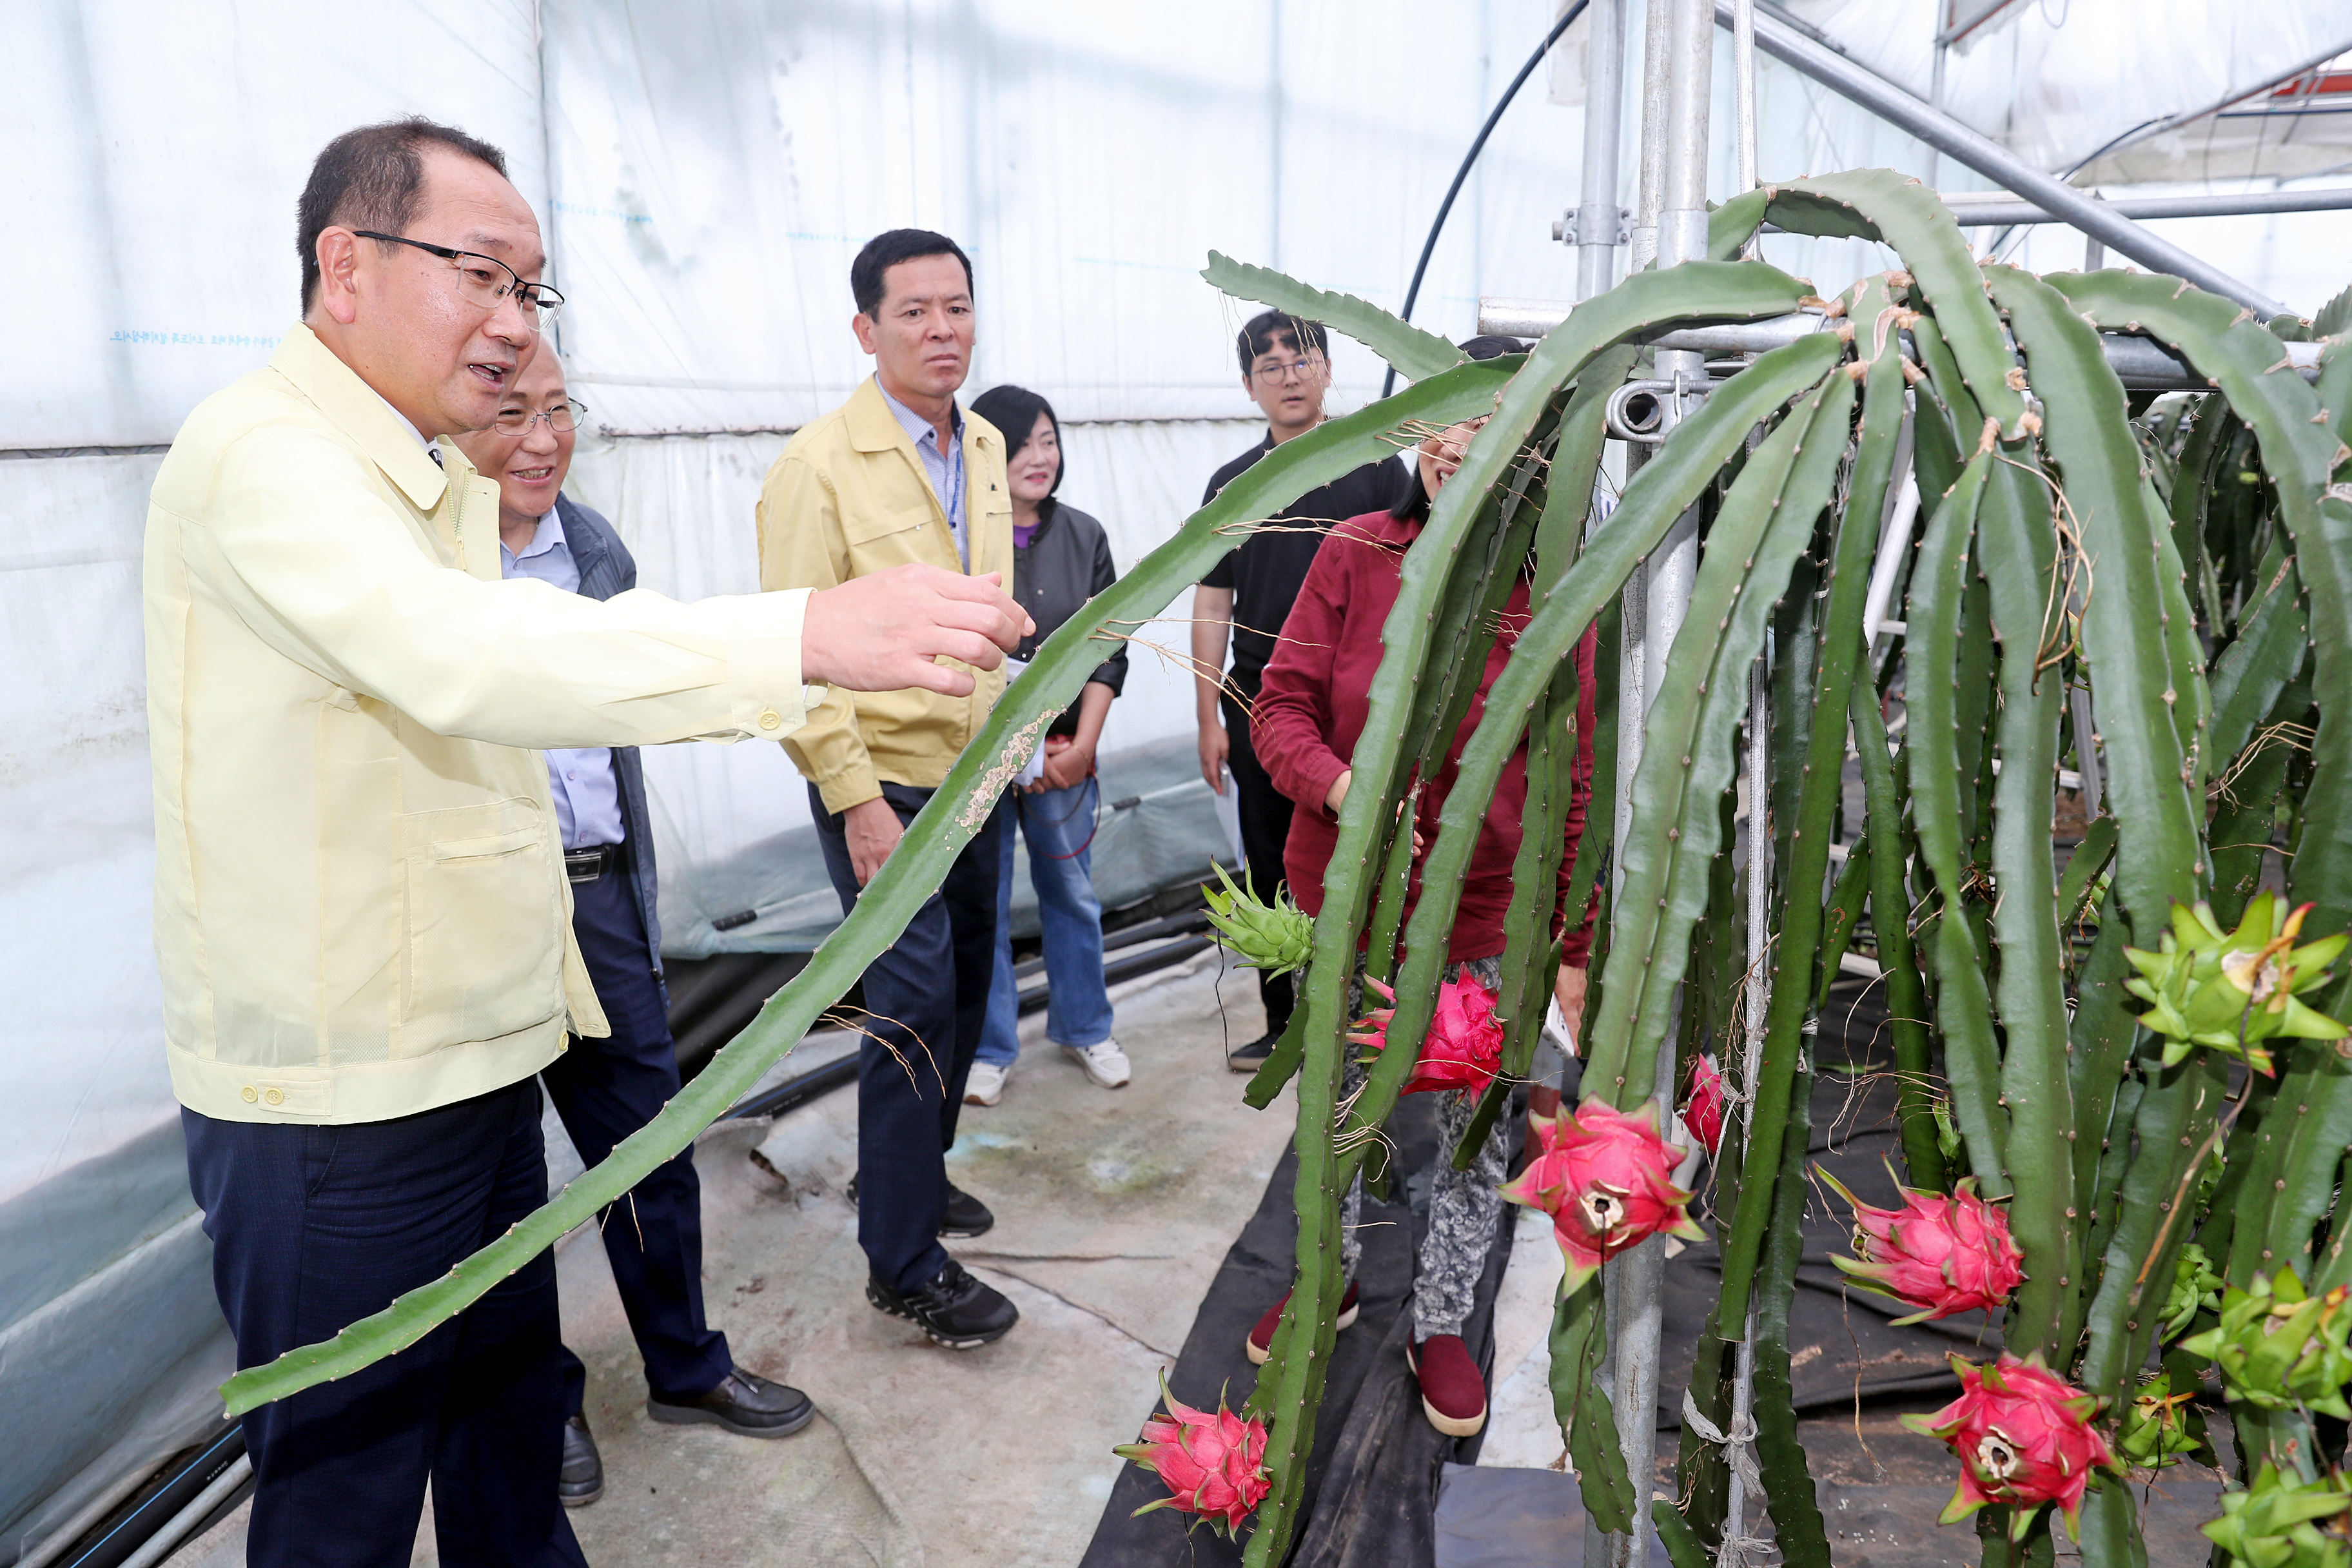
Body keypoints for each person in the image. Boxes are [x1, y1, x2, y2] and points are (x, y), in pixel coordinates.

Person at [151, 121, 1027, 1568]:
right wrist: (806, 633)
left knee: (505, 1447)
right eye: (480, 276)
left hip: (476, 1057)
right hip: (339, 1103)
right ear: (344, 264)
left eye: (533, 292)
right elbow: (465, 657)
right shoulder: (264, 453)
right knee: (345, 1503)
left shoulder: (419, 475)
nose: (512, 329)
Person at [451, 354, 810, 1512]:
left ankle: (684, 1366)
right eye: (512, 412)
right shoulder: (423, 566)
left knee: (646, 1141)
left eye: (558, 411)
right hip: (491, 905)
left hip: (598, 894)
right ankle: (540, 1404)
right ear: (455, 425)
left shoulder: (594, 551)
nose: (542, 437)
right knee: (500, 1179)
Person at [1246, 337, 1598, 1440]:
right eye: (1447, 412)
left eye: (1495, 420)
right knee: (1336, 1112)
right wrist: (1343, 787)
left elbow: (1575, 779)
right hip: (1348, 900)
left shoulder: (1557, 595)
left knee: (1469, 1131)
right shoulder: (1354, 552)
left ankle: (1440, 1318)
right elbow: (1278, 708)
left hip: (1487, 915)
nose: (1460, 440)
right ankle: (1327, 1275)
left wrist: (1574, 944)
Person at [758, 229, 1024, 1350]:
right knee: (910, 1006)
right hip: (888, 787)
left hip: (980, 776)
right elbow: (787, 657)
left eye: (955, 307)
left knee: (964, 986)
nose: (940, 330)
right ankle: (904, 1263)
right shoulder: (816, 466)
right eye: (912, 312)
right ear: (865, 331)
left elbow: (993, 608)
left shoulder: (989, 441)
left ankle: (909, 1174)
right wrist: (856, 801)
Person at [1191, 311, 1409, 1072]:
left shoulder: (1380, 466)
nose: (1287, 374)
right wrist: (1208, 716)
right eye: (1269, 365)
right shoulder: (1232, 485)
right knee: (1269, 862)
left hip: (1360, 705)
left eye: (1300, 358)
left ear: (1326, 369)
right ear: (1249, 385)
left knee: (1369, 856)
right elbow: (1212, 600)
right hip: (1255, 703)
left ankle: (1372, 1015)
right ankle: (1285, 1022)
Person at [963, 384, 1131, 1106]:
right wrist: (1010, 749)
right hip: (980, 759)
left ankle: (1086, 1026)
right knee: (985, 901)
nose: (1040, 457)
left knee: (1072, 892)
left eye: (1049, 440)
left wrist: (1082, 744)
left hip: (1065, 751)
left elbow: (1108, 646)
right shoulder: (965, 535)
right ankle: (992, 1045)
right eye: (1019, 444)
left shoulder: (1085, 534)